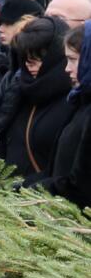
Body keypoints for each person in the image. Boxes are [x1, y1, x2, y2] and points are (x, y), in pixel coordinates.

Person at [0, 16, 74, 184]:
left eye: (40, 57)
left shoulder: (73, 101)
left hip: (41, 200)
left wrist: (25, 186)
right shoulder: (18, 88)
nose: (30, 64)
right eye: (26, 57)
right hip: (4, 196)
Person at [35, 24, 88, 206]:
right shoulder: (81, 101)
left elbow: (81, 184)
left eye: (73, 59)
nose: (67, 68)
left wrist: (34, 190)